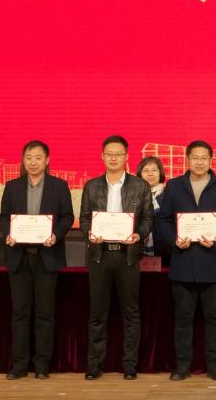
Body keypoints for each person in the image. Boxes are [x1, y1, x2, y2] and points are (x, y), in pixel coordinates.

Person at [155, 140, 216, 382]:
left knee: (215, 319)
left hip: (213, 263)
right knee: (183, 319)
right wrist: (175, 240)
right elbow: (163, 220)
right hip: (183, 263)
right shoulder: (174, 186)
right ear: (188, 159)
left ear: (211, 160)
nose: (199, 162)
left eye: (204, 158)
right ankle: (182, 366)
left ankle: (215, 366)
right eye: (195, 157)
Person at [79, 135, 155, 380]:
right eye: (109, 154)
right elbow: (84, 218)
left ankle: (130, 365)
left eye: (118, 154)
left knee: (130, 312)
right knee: (97, 313)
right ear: (102, 156)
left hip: (128, 256)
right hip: (99, 256)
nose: (113, 158)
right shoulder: (91, 186)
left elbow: (148, 219)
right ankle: (94, 365)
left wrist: (139, 235)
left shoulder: (140, 186)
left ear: (126, 157)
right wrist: (89, 234)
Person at [0, 140, 74, 380]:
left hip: (47, 258)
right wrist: (8, 233)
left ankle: (42, 365)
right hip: (19, 258)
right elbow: (4, 217)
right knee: (20, 313)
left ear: (47, 160)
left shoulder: (59, 186)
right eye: (29, 158)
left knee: (45, 314)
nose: (33, 162)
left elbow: (67, 217)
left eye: (38, 158)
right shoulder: (12, 186)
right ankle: (19, 365)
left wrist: (55, 235)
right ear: (23, 160)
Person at [136, 156, 166, 258]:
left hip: (164, 248)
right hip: (137, 248)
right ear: (140, 174)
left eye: (154, 170)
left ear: (160, 173)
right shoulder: (133, 195)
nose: (150, 174)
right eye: (146, 171)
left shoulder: (169, 194)